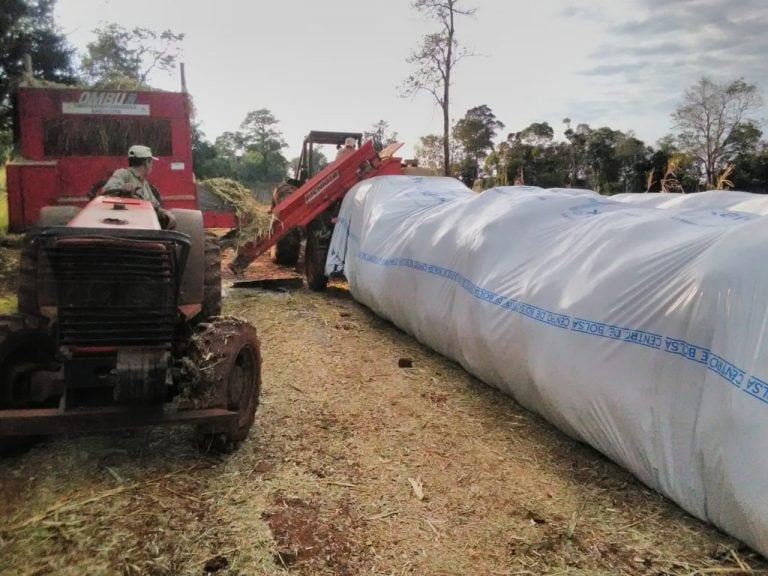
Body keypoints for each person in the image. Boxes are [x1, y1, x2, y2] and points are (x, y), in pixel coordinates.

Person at [103, 144, 176, 229]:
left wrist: (167, 213)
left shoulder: (145, 184)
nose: (152, 165)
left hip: (146, 223)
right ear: (146, 163)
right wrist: (124, 188)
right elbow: (109, 189)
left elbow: (155, 205)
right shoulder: (123, 174)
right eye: (151, 162)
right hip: (128, 223)